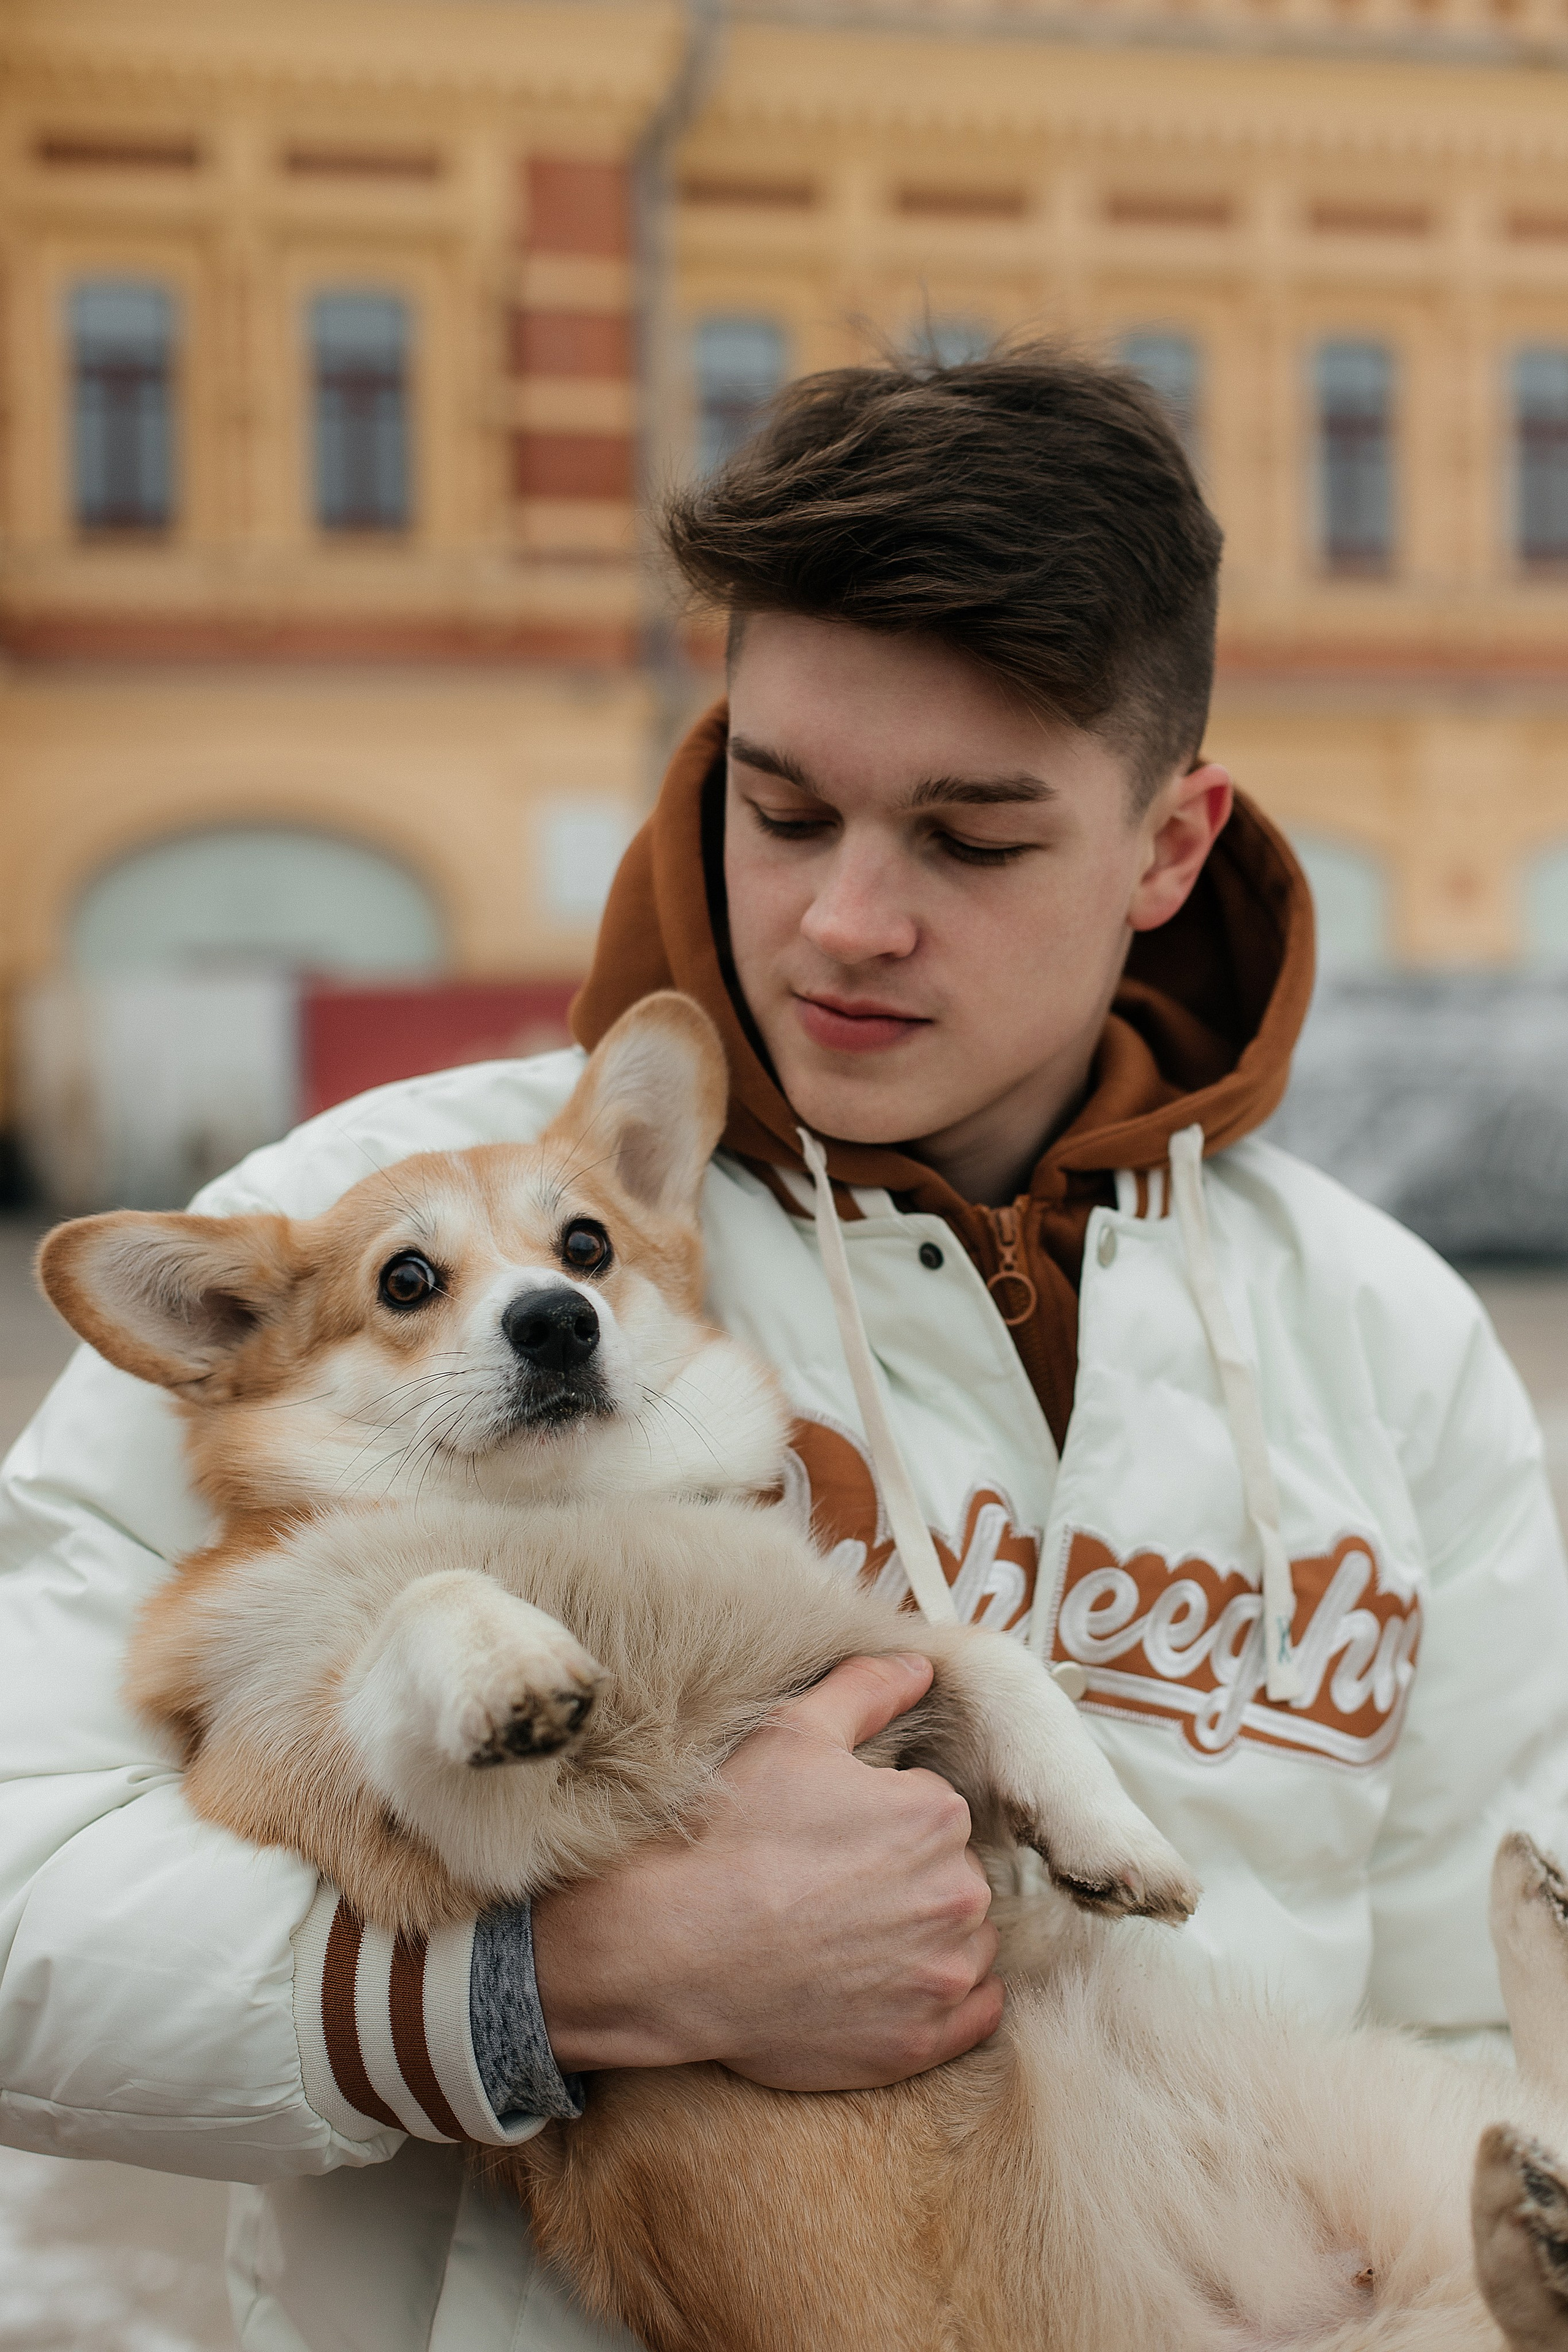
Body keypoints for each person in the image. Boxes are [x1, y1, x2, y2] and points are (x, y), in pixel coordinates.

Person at [4, 345, 1567, 2352]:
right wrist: (561, 1980)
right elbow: (22, 1908)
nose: (843, 921)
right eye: (783, 806)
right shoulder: (367, 1244)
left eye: (968, 840)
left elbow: (1460, 2021)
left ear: (1168, 848)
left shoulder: (1383, 1334)